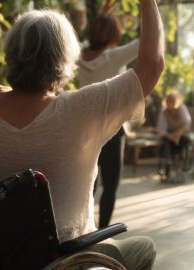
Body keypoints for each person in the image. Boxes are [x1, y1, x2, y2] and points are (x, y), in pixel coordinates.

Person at [0, 0, 164, 269]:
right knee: (145, 246)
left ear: (11, 54)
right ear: (63, 59)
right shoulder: (79, 109)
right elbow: (152, 66)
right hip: (67, 256)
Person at [78, 0, 139, 228]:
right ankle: (102, 231)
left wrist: (102, 16)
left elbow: (87, 40)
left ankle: (85, 229)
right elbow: (146, 42)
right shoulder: (114, 57)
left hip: (86, 129)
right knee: (110, 187)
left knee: (88, 185)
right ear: (114, 36)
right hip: (113, 130)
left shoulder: (81, 55)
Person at [156, 90, 191, 181]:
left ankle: (181, 163)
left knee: (184, 141)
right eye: (169, 101)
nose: (170, 103)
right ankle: (169, 163)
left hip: (182, 134)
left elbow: (187, 124)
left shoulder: (182, 109)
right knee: (165, 142)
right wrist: (172, 136)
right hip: (169, 135)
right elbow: (161, 130)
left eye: (173, 101)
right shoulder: (163, 112)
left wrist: (178, 133)